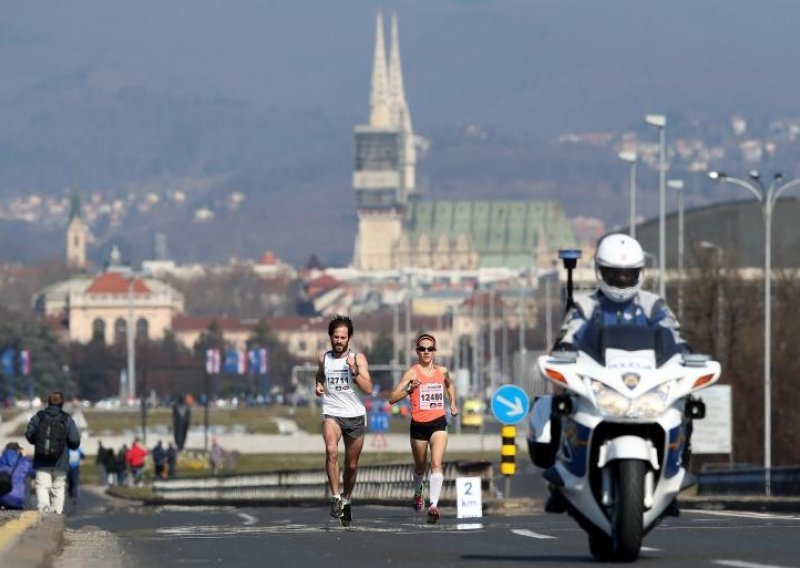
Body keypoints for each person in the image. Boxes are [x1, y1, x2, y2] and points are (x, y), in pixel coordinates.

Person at [548, 233, 694, 510]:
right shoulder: (586, 305)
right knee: (561, 406)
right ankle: (563, 474)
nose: (623, 281)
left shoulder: (653, 304)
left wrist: (686, 350)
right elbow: (570, 331)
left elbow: (673, 333)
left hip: (645, 381)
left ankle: (675, 472)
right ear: (601, 271)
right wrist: (564, 348)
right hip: (601, 379)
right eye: (616, 274)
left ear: (640, 273)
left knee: (685, 407)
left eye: (629, 274)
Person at [389, 333, 459, 524]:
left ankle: (434, 505)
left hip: (438, 423)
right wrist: (409, 390)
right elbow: (392, 398)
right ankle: (418, 491)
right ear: (417, 352)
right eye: (422, 349)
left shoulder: (442, 371)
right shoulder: (412, 373)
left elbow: (450, 386)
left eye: (430, 349)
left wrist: (452, 402)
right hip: (418, 426)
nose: (426, 352)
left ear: (434, 351)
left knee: (436, 463)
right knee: (421, 465)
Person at [314, 314, 373, 526]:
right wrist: (319, 384)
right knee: (331, 450)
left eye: (343, 337)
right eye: (335, 337)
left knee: (352, 464)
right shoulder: (324, 358)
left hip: (355, 415)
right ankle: (336, 498)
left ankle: (347, 499)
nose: (339, 341)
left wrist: (354, 372)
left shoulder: (358, 359)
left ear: (349, 338)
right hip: (332, 413)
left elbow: (368, 389)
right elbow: (320, 374)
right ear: (330, 337)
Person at [24, 391, 82, 514]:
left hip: (41, 461)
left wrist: (39, 442)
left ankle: (44, 510)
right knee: (58, 488)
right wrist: (69, 445)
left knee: (43, 487)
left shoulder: (38, 417)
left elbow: (29, 435)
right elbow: (75, 440)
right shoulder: (67, 419)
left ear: (48, 402)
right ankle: (56, 513)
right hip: (60, 461)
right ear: (62, 403)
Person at [0, 442, 35, 510]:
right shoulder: (25, 462)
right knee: (27, 478)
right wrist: (25, 457)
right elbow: (35, 472)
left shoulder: (1, 461)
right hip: (17, 501)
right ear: (18, 451)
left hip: (1, 499)